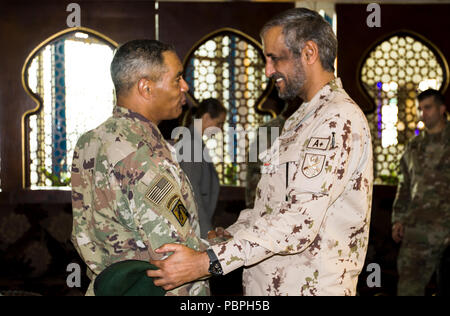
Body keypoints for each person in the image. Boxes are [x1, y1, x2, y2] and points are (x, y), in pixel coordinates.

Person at [147, 8, 373, 296]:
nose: (268, 71)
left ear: (309, 52)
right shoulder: (300, 120)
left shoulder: (336, 118)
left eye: (274, 58)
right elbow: (272, 208)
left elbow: (298, 221)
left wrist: (207, 262)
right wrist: (232, 234)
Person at [70, 39, 210, 296]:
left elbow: (85, 233)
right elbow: (176, 256)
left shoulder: (90, 140)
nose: (185, 87)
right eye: (177, 78)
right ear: (146, 87)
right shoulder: (145, 155)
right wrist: (228, 251)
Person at [391, 89, 450, 296]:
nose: (423, 113)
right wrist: (398, 219)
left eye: (428, 107)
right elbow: (404, 185)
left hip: (446, 231)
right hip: (417, 232)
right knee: (408, 289)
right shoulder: (413, 147)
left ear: (442, 109)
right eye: (420, 109)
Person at [176, 98, 227, 238]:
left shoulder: (195, 142)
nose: (220, 129)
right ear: (205, 117)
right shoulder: (191, 144)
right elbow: (191, 191)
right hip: (194, 227)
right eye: (219, 123)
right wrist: (206, 229)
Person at [245, 100, 298, 208]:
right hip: (269, 203)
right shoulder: (268, 131)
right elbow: (255, 171)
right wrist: (253, 204)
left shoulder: (306, 127)